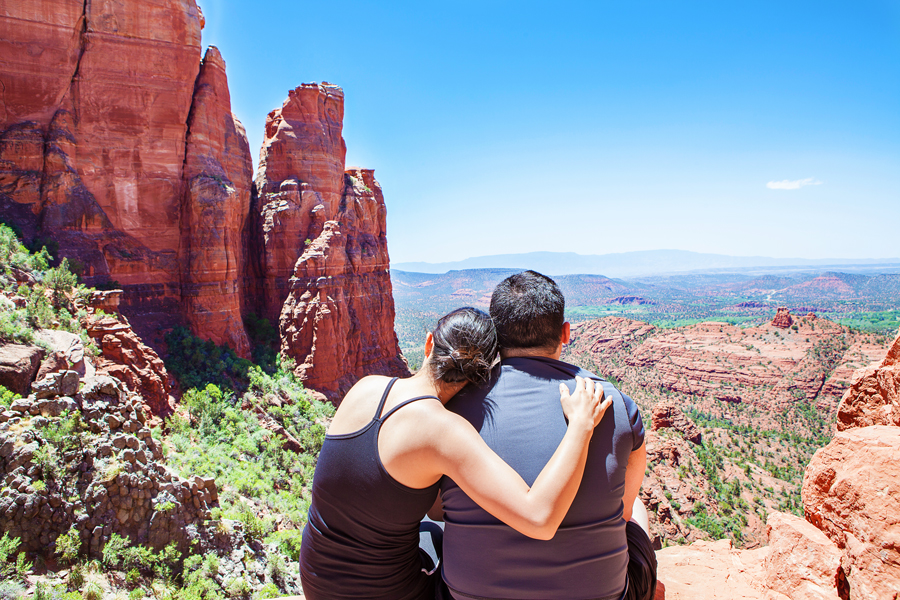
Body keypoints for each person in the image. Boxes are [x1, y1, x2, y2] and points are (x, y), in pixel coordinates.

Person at [299, 307, 612, 600]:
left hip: (316, 581)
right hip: (385, 594)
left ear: (429, 343)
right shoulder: (444, 431)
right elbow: (539, 518)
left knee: (429, 531)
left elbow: (413, 500)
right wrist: (580, 427)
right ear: (485, 374)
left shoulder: (366, 388)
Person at [439, 271, 657, 600]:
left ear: (495, 337)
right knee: (637, 509)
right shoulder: (613, 402)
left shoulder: (451, 407)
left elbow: (437, 510)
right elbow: (622, 513)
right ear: (565, 333)